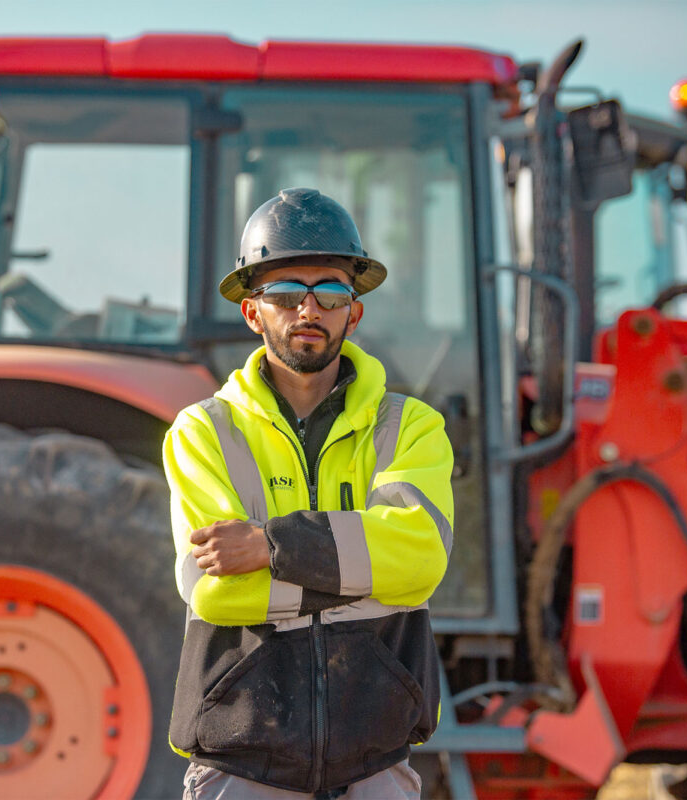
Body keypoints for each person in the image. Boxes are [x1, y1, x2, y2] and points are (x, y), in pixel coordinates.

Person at [163, 187, 454, 800]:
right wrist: (369, 566)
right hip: (241, 759)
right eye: (286, 293)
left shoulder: (412, 427)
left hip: (374, 756)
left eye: (331, 291)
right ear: (253, 312)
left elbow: (422, 561)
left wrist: (268, 546)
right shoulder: (201, 433)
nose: (309, 310)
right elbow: (213, 590)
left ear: (355, 312)